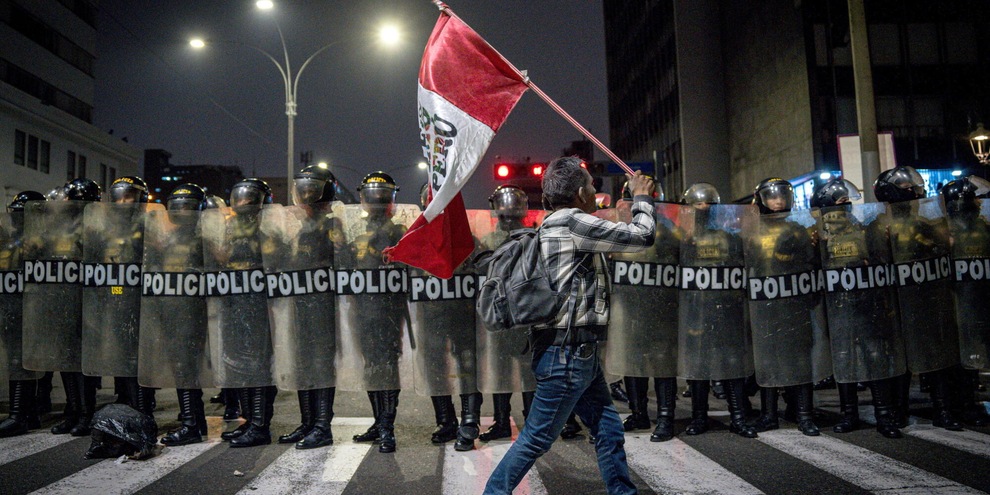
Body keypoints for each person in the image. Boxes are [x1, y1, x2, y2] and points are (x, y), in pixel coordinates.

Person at [484, 157, 654, 495]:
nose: (594, 190)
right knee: (536, 438)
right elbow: (643, 236)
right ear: (579, 193)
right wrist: (641, 196)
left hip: (574, 352)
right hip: (568, 354)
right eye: (591, 185)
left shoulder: (554, 223)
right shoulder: (573, 222)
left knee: (608, 428)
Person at [874, 166, 963, 431]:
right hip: (896, 301)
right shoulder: (877, 227)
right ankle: (898, 411)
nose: (914, 191)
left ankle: (942, 409)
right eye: (907, 188)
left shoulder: (924, 223)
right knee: (900, 358)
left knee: (934, 354)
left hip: (925, 297)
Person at [814, 177, 904, 438]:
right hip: (837, 305)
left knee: (874, 355)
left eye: (847, 201)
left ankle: (884, 415)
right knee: (844, 357)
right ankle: (849, 415)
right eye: (840, 201)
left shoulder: (863, 230)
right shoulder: (819, 235)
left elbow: (880, 260)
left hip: (866, 302)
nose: (846, 205)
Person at [677, 182, 758, 438]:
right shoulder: (683, 239)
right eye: (698, 204)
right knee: (698, 367)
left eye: (708, 204)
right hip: (696, 309)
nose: (703, 208)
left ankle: (738, 417)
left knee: (732, 363)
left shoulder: (729, 237)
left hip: (725, 307)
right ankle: (699, 417)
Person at [606, 183, 681, 442]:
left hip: (661, 307)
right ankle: (638, 413)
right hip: (630, 307)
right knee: (632, 362)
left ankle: (665, 417)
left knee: (662, 362)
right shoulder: (622, 230)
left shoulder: (669, 232)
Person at [747, 178, 821, 436]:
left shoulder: (799, 230)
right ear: (761, 200)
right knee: (767, 359)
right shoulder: (753, 233)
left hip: (793, 305)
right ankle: (769, 415)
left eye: (781, 196)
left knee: (800, 359)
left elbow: (811, 266)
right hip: (765, 307)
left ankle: (804, 414)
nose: (778, 201)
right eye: (771, 196)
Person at [273, 165, 339, 450]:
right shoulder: (301, 227)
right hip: (301, 305)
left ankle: (322, 426)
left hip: (323, 307)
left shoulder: (333, 225)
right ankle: (308, 422)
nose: (305, 194)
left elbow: (342, 261)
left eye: (311, 189)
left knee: (321, 364)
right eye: (302, 189)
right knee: (302, 363)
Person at [211, 178, 278, 448]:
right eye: (239, 197)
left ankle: (260, 426)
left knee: (258, 365)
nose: (242, 203)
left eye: (249, 198)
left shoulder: (268, 226)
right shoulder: (230, 226)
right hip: (234, 304)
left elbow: (277, 259)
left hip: (258, 305)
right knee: (239, 365)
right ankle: (249, 421)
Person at [344, 172, 408, 454]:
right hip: (363, 310)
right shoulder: (356, 232)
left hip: (389, 311)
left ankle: (387, 427)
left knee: (387, 367)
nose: (376, 201)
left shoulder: (398, 232)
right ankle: (377, 421)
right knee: (371, 366)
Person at [150, 184, 211, 446]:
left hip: (193, 312)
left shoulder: (204, 239)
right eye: (178, 206)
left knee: (186, 367)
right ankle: (196, 420)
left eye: (188, 206)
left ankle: (190, 425)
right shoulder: (169, 239)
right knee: (180, 367)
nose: (182, 211)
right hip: (171, 310)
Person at [475, 185, 536, 443]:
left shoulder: (494, 239)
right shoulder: (531, 236)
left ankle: (509, 422)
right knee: (516, 371)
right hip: (516, 314)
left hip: (511, 314)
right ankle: (520, 422)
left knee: (514, 370)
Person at [0, 191, 46, 437]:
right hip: (9, 310)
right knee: (15, 361)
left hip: (31, 310)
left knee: (22, 362)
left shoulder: (43, 242)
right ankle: (29, 414)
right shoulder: (8, 241)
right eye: (15, 213)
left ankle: (19, 416)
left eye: (22, 214)